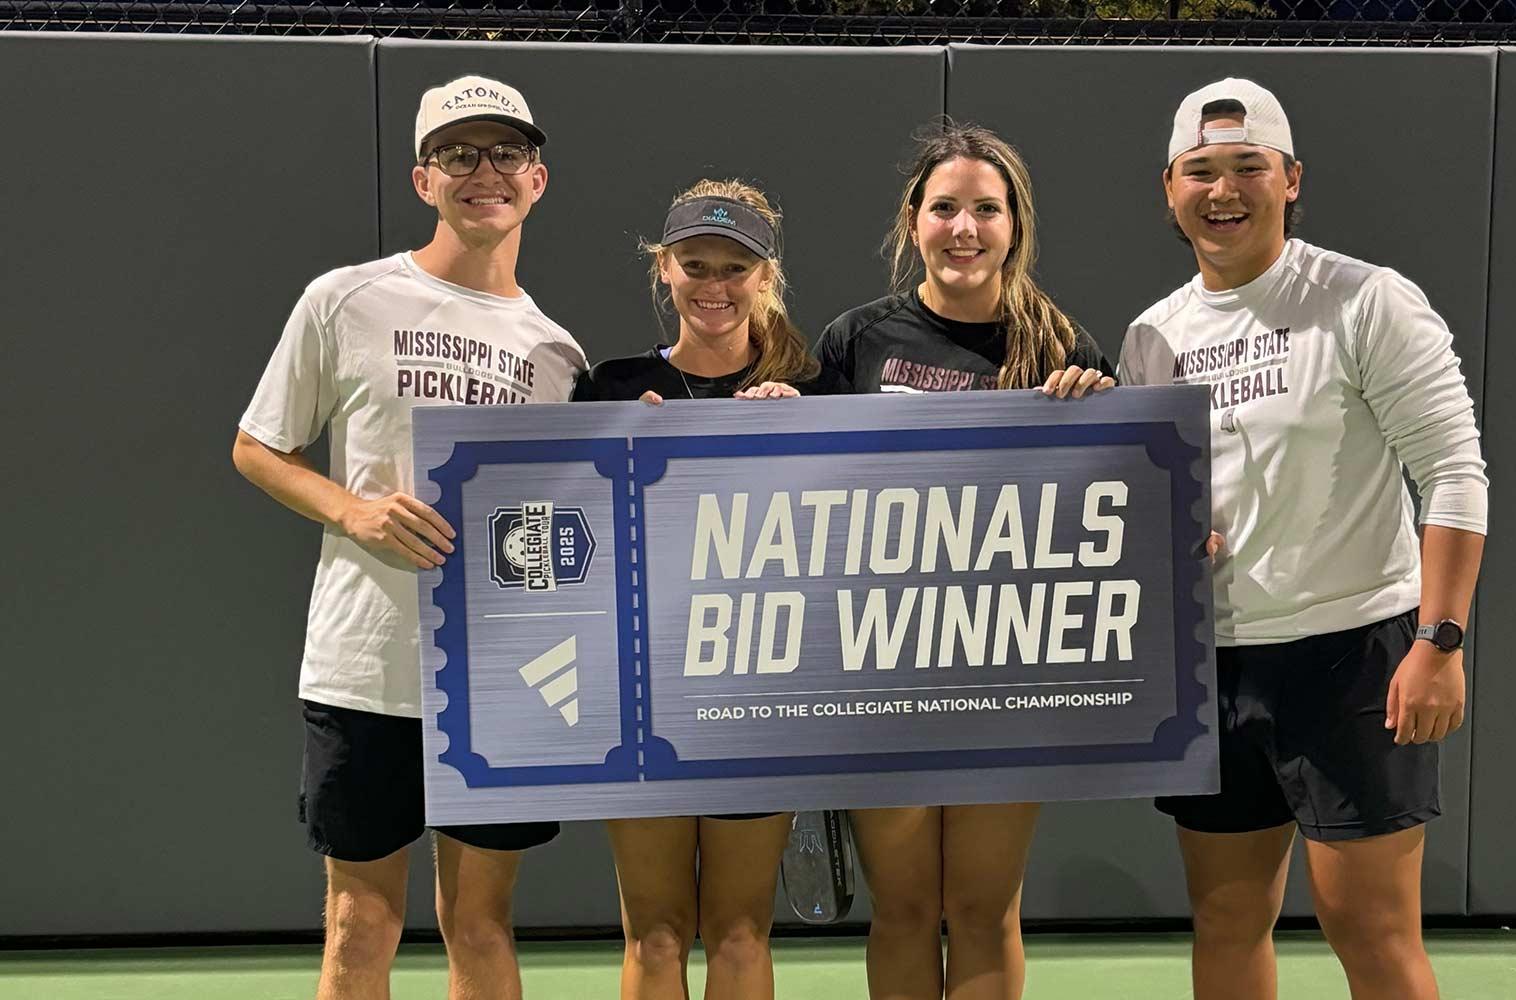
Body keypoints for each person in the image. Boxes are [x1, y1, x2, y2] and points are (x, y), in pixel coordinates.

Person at [1117, 78, 1489, 1000]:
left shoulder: (1366, 300)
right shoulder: (1152, 338)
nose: (1224, 189)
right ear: (1170, 188)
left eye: (1249, 167)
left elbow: (1453, 473)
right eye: (1201, 170)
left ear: (1291, 180)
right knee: (1226, 924)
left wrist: (1439, 642)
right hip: (1218, 670)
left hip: (1355, 656)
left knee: (1369, 929)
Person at [232, 74, 586, 1000]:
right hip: (365, 665)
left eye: (506, 153)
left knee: (481, 926)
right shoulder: (346, 300)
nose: (485, 173)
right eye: (459, 154)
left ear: (536, 179)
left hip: (500, 679)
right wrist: (351, 509)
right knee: (360, 925)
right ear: (425, 177)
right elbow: (257, 447)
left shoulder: (560, 355)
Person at [816, 123, 1112, 1000]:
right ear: (914, 221)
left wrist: (1098, 414)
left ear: (1015, 225)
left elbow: (1115, 511)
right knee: (904, 908)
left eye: (987, 208)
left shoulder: (1064, 348)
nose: (965, 228)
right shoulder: (856, 340)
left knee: (984, 909)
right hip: (881, 666)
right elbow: (801, 491)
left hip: (1005, 669)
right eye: (945, 208)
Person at [574, 179, 840, 1000]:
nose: (714, 285)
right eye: (695, 264)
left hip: (758, 698)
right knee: (653, 933)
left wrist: (796, 436)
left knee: (739, 929)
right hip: (642, 702)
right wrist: (619, 450)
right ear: (664, 270)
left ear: (766, 276)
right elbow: (566, 547)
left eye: (734, 267)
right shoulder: (609, 390)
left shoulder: (813, 396)